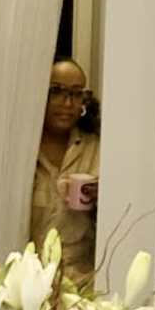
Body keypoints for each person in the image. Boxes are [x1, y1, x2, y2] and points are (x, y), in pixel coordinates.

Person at [28, 59, 101, 252]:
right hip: (25, 274)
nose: (67, 103)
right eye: (56, 91)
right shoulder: (22, 151)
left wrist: (103, 198)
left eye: (76, 94)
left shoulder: (97, 149)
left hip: (81, 275)